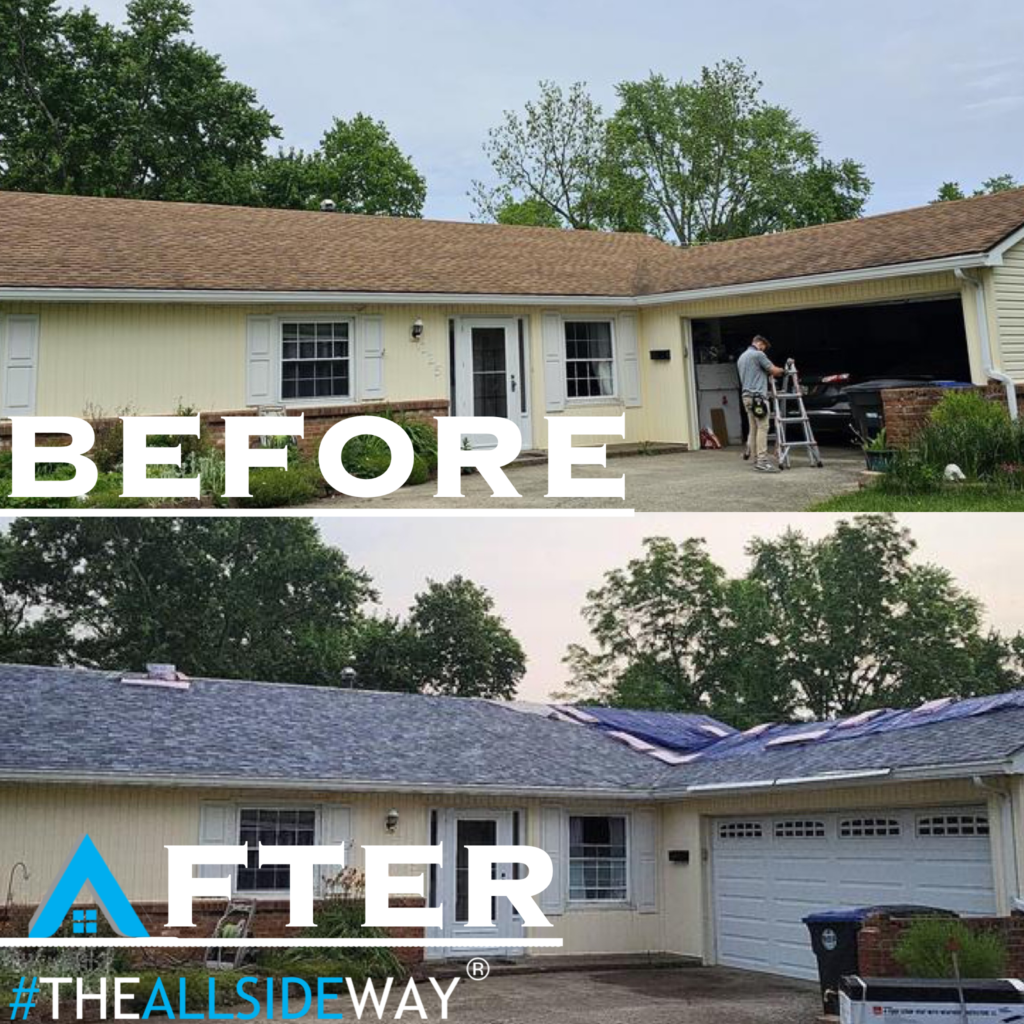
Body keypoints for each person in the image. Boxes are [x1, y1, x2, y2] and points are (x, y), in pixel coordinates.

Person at [737, 335, 784, 473]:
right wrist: (784, 370)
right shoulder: (758, 354)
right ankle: (762, 461)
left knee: (753, 428)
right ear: (759, 343)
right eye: (764, 347)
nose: (764, 350)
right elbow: (774, 370)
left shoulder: (742, 357)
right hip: (758, 398)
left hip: (746, 397)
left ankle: (755, 458)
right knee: (763, 427)